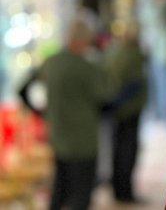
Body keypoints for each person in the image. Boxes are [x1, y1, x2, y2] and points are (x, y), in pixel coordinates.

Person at [20, 12, 115, 210]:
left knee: (60, 189)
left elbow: (22, 89)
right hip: (83, 141)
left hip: (58, 136)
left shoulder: (51, 63)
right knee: (81, 194)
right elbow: (106, 99)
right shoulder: (88, 68)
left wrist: (40, 112)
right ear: (85, 40)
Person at [105, 22, 148, 203]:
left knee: (117, 150)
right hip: (129, 110)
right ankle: (125, 192)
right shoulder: (134, 55)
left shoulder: (113, 52)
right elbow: (134, 84)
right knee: (128, 152)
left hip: (117, 110)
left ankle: (118, 190)